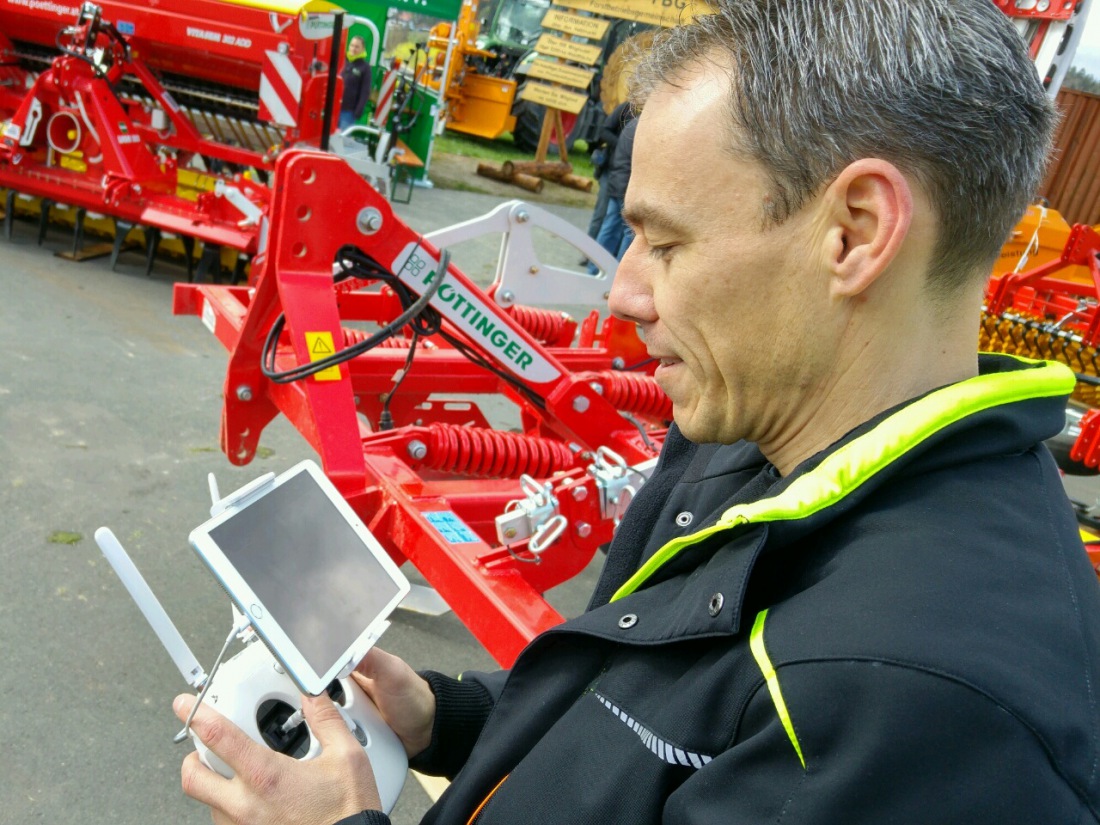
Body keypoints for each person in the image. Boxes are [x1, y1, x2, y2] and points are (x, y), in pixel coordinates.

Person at [175, 1, 1100, 822]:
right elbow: (626, 708)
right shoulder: (750, 445)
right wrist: (446, 715)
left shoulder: (918, 714)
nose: (622, 289)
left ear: (854, 232)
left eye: (665, 241)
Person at [587, 113, 637, 274]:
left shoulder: (632, 125)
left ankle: (595, 268)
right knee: (628, 233)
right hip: (626, 186)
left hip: (618, 182)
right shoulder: (640, 126)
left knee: (610, 227)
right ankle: (616, 274)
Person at [339, 35, 372, 132]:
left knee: (343, 140)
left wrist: (358, 110)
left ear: (363, 49)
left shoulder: (365, 68)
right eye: (352, 45)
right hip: (333, 108)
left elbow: (365, 91)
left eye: (357, 47)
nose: (353, 49)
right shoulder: (342, 61)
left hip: (348, 112)